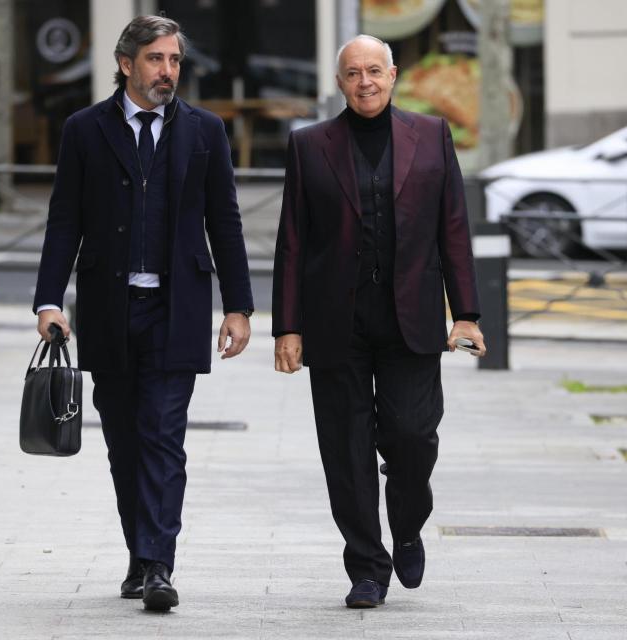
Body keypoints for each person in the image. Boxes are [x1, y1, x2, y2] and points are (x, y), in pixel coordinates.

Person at [33, 15, 253, 612]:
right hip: (109, 309)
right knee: (125, 442)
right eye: (155, 60)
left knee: (163, 436)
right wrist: (49, 300)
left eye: (175, 60)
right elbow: (64, 220)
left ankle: (158, 565)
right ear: (126, 64)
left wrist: (238, 306)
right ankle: (140, 555)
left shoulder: (205, 131)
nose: (167, 71)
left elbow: (225, 222)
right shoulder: (84, 130)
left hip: (175, 310)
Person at [272, 34, 485, 609]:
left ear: (393, 76)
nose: (364, 82)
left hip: (410, 321)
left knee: (412, 438)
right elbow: (292, 242)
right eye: (352, 73)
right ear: (339, 83)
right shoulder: (309, 145)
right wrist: (286, 326)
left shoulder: (434, 136)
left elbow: (454, 230)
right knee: (345, 450)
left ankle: (409, 523)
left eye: (374, 71)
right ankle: (367, 565)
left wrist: (465, 313)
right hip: (335, 322)